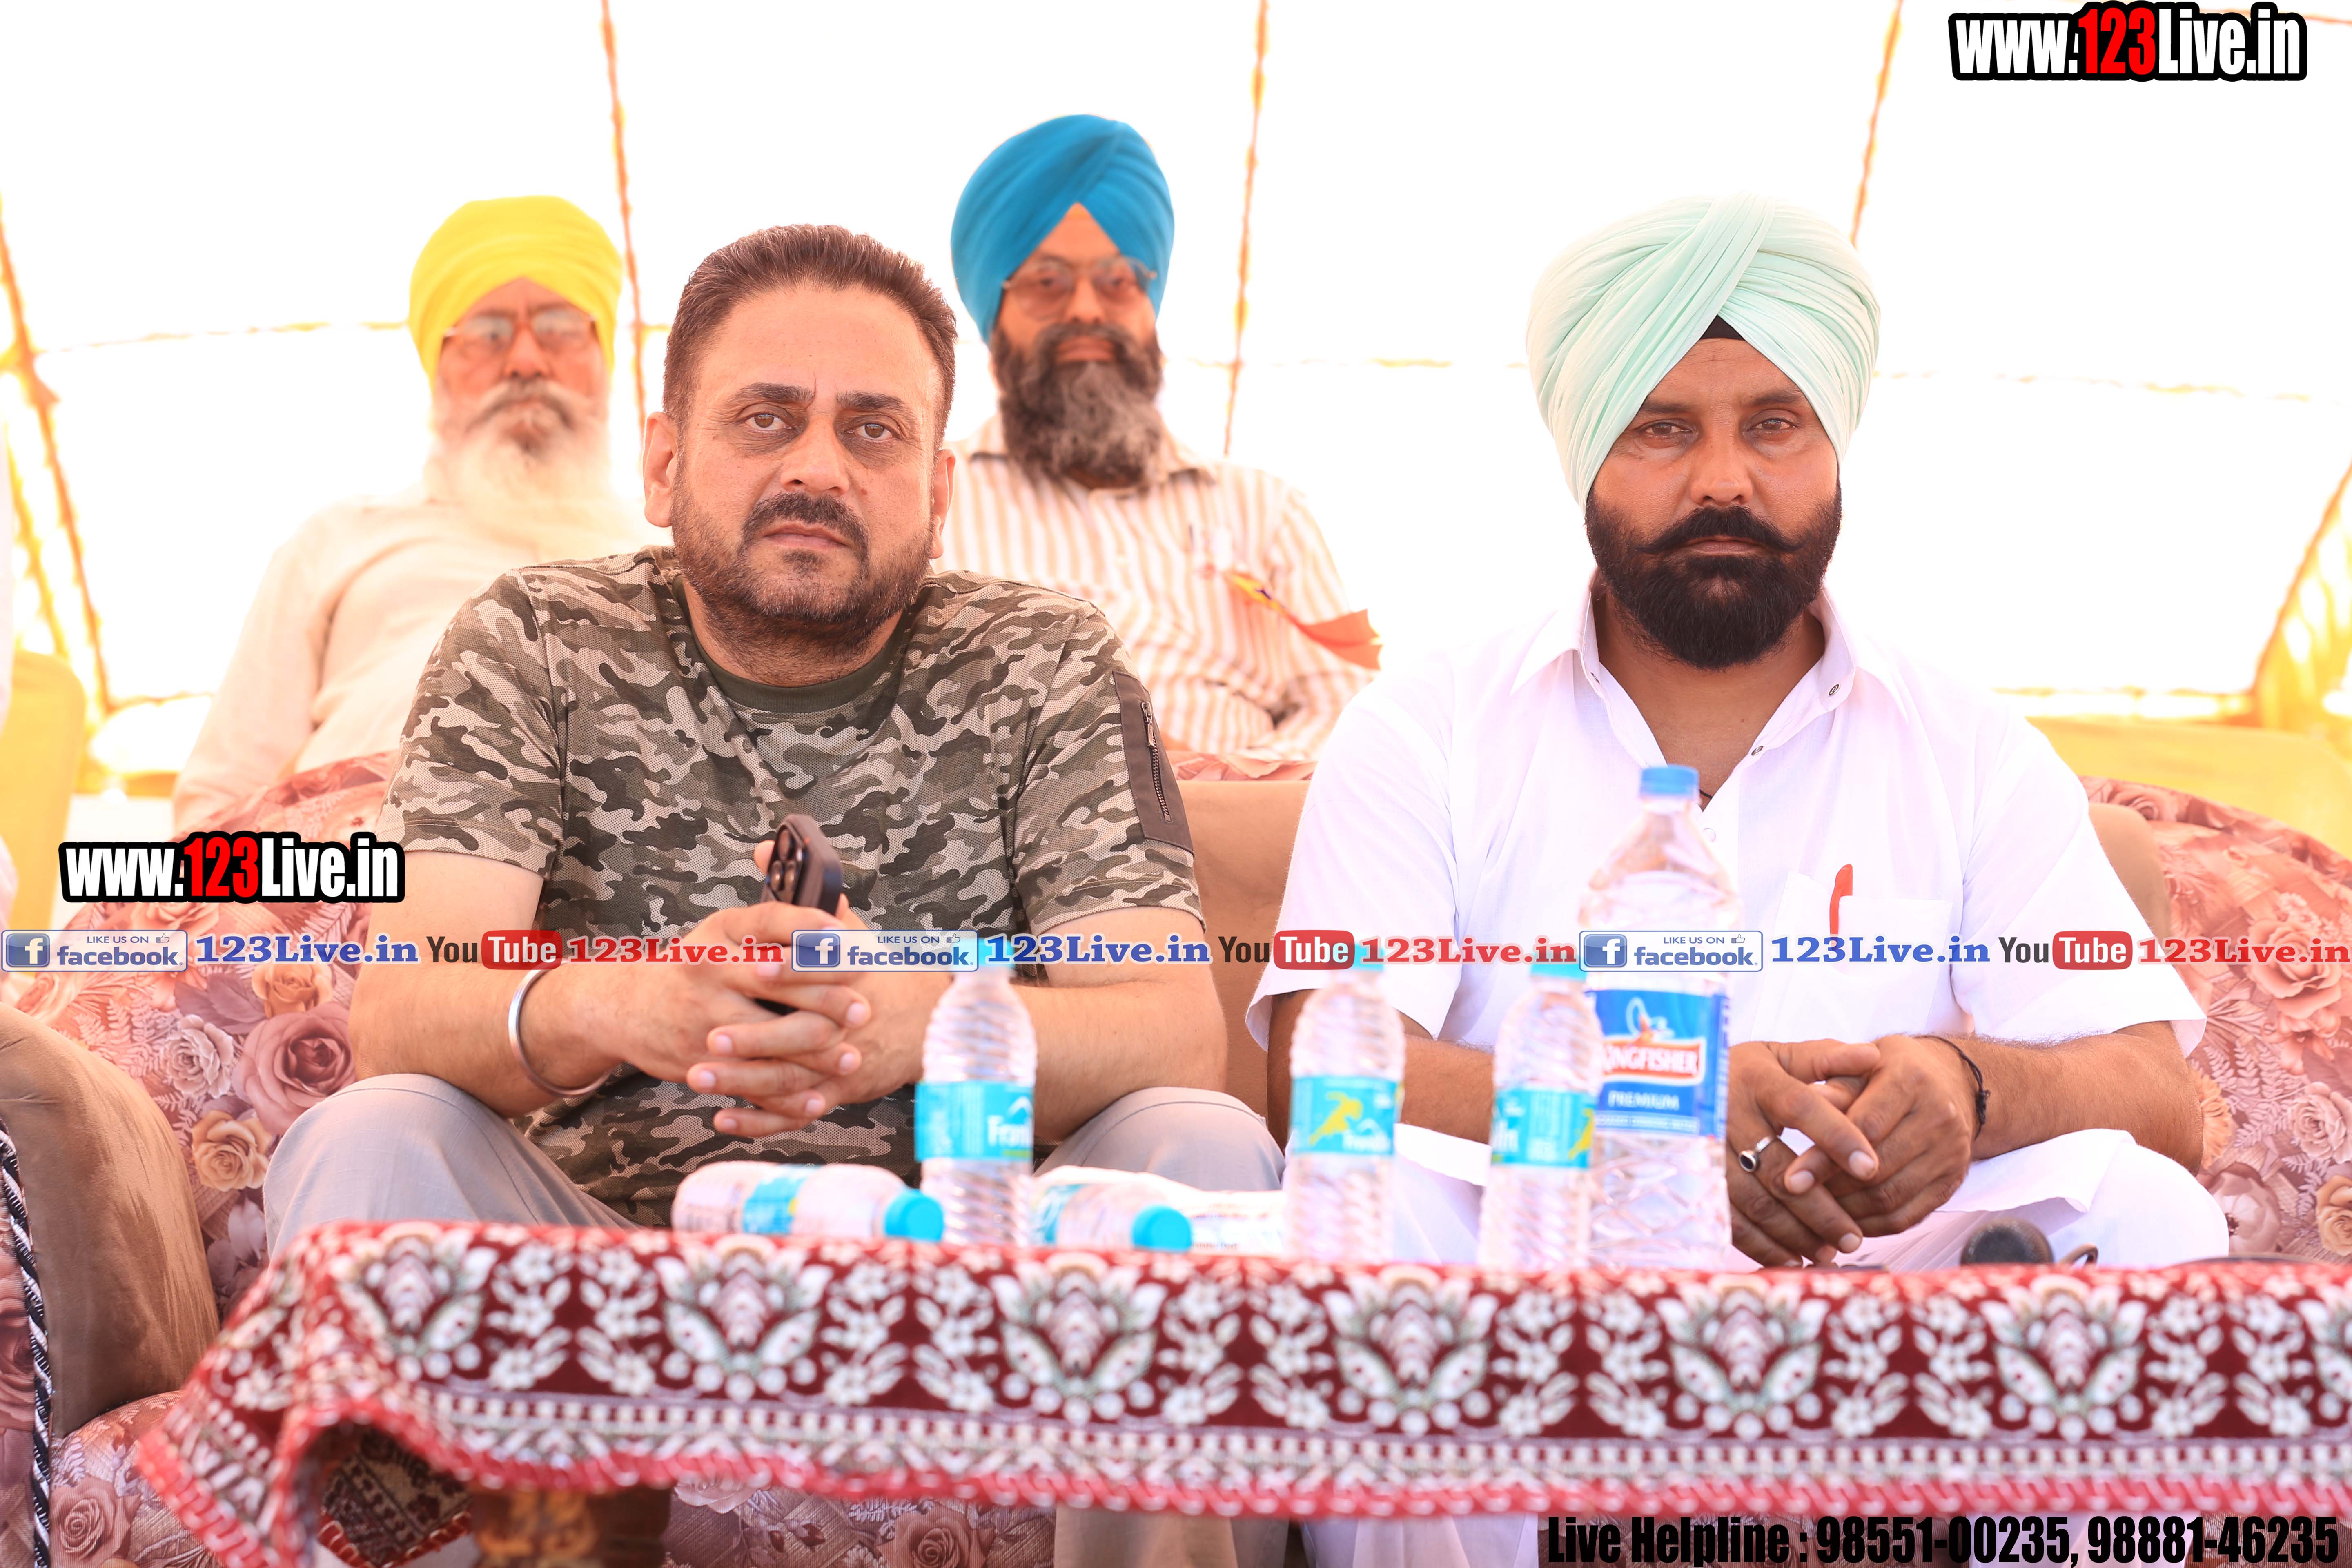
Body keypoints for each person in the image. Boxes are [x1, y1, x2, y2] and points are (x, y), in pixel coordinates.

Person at [264, 224, 1284, 1568]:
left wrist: (928, 1025)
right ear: (663, 460)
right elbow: (409, 1010)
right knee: (372, 1132)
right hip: (606, 1280)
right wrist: (623, 1007)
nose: (818, 465)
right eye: (765, 419)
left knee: (1201, 1145)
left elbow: (1171, 1031)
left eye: (873, 429)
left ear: (936, 485)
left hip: (974, 1286)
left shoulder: (1047, 661)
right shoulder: (533, 640)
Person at [1251, 194, 2221, 1566]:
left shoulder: (1968, 743)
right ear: (1588, 452)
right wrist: (1646, 1116)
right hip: (1543, 1277)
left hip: (1877, 1295)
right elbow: (1324, 1068)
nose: (1724, 479)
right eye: (1663, 429)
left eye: (1774, 423)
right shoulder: (1430, 724)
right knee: (1371, 1196)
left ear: (1833, 446)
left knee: (2147, 1212)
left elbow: (2159, 1096)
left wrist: (1967, 1089)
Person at [174, 195, 648, 831]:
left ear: (602, 358)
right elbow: (214, 812)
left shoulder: (667, 554)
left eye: (560, 328)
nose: (526, 361)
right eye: (488, 334)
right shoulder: (342, 536)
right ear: (438, 369)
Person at [938, 114, 1377, 772]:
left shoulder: (1263, 510)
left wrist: (1230, 776)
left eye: (1117, 282)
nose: (1086, 309)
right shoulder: (932, 504)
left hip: (1240, 819)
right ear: (995, 317)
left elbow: (1352, 709)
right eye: (1048, 282)